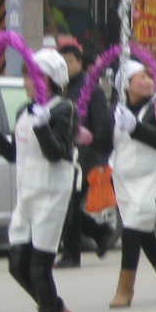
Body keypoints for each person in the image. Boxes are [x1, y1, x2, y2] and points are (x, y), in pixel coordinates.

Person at [0, 47, 79, 312]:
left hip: (52, 194)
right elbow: (14, 153)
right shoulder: (24, 110)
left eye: (36, 77)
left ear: (52, 80)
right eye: (26, 76)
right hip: (27, 194)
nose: (29, 82)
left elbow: (56, 152)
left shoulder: (63, 109)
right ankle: (57, 310)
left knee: (39, 266)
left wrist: (44, 126)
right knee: (17, 263)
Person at [108, 60, 156, 308]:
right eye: (141, 78)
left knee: (132, 228)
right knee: (143, 232)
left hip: (152, 178)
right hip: (125, 181)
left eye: (149, 77)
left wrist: (136, 127)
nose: (148, 82)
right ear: (126, 85)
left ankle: (125, 288)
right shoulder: (117, 110)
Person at [54, 36, 115, 268]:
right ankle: (101, 232)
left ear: (80, 63)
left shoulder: (91, 90)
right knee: (66, 203)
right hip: (67, 155)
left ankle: (72, 253)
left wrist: (90, 141)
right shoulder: (61, 89)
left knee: (70, 203)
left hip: (86, 157)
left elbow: (102, 127)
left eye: (70, 62)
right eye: (62, 63)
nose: (66, 67)